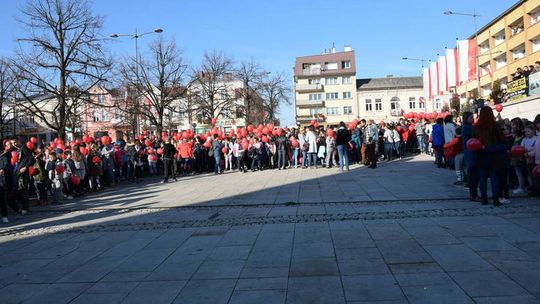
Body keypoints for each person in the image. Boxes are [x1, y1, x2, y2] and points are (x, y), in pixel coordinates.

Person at [475, 107, 505, 206]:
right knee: (494, 177)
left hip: (480, 154)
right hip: (493, 155)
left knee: (482, 178)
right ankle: (495, 199)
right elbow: (501, 139)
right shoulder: (494, 125)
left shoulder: (477, 126)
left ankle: (484, 198)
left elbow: (473, 141)